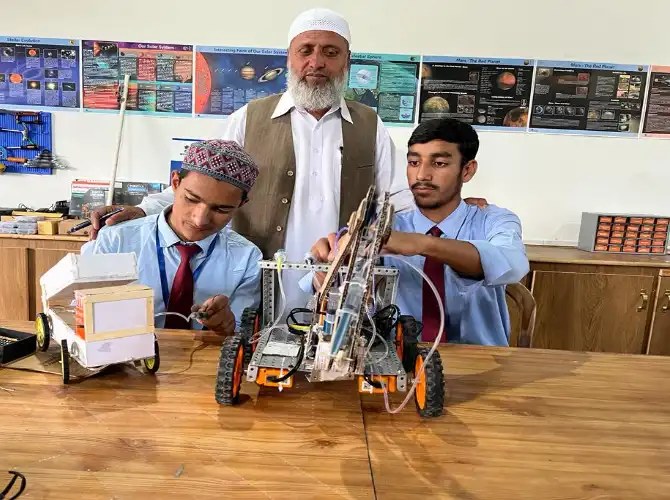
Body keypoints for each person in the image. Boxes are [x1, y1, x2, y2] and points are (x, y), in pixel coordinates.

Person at [86, 7, 415, 314]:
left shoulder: (371, 126)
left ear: (347, 61)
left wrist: (462, 214)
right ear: (290, 57)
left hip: (339, 287)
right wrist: (144, 209)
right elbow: (201, 182)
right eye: (306, 50)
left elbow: (399, 202)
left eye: (330, 52)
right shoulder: (249, 118)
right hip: (258, 285)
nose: (317, 62)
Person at [306, 118, 529, 346]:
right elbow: (325, 285)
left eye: (439, 163)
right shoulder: (386, 228)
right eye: (414, 162)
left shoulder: (493, 221)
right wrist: (327, 270)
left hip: (482, 362)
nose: (422, 175)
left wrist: (423, 244)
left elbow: (511, 264)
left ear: (467, 170)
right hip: (398, 361)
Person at [81, 140, 262, 336]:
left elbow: (243, 334)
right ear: (175, 183)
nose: (200, 220)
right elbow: (78, 316)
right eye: (191, 199)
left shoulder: (247, 258)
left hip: (204, 363)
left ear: (241, 204)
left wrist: (226, 325)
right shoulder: (116, 241)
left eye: (221, 209)